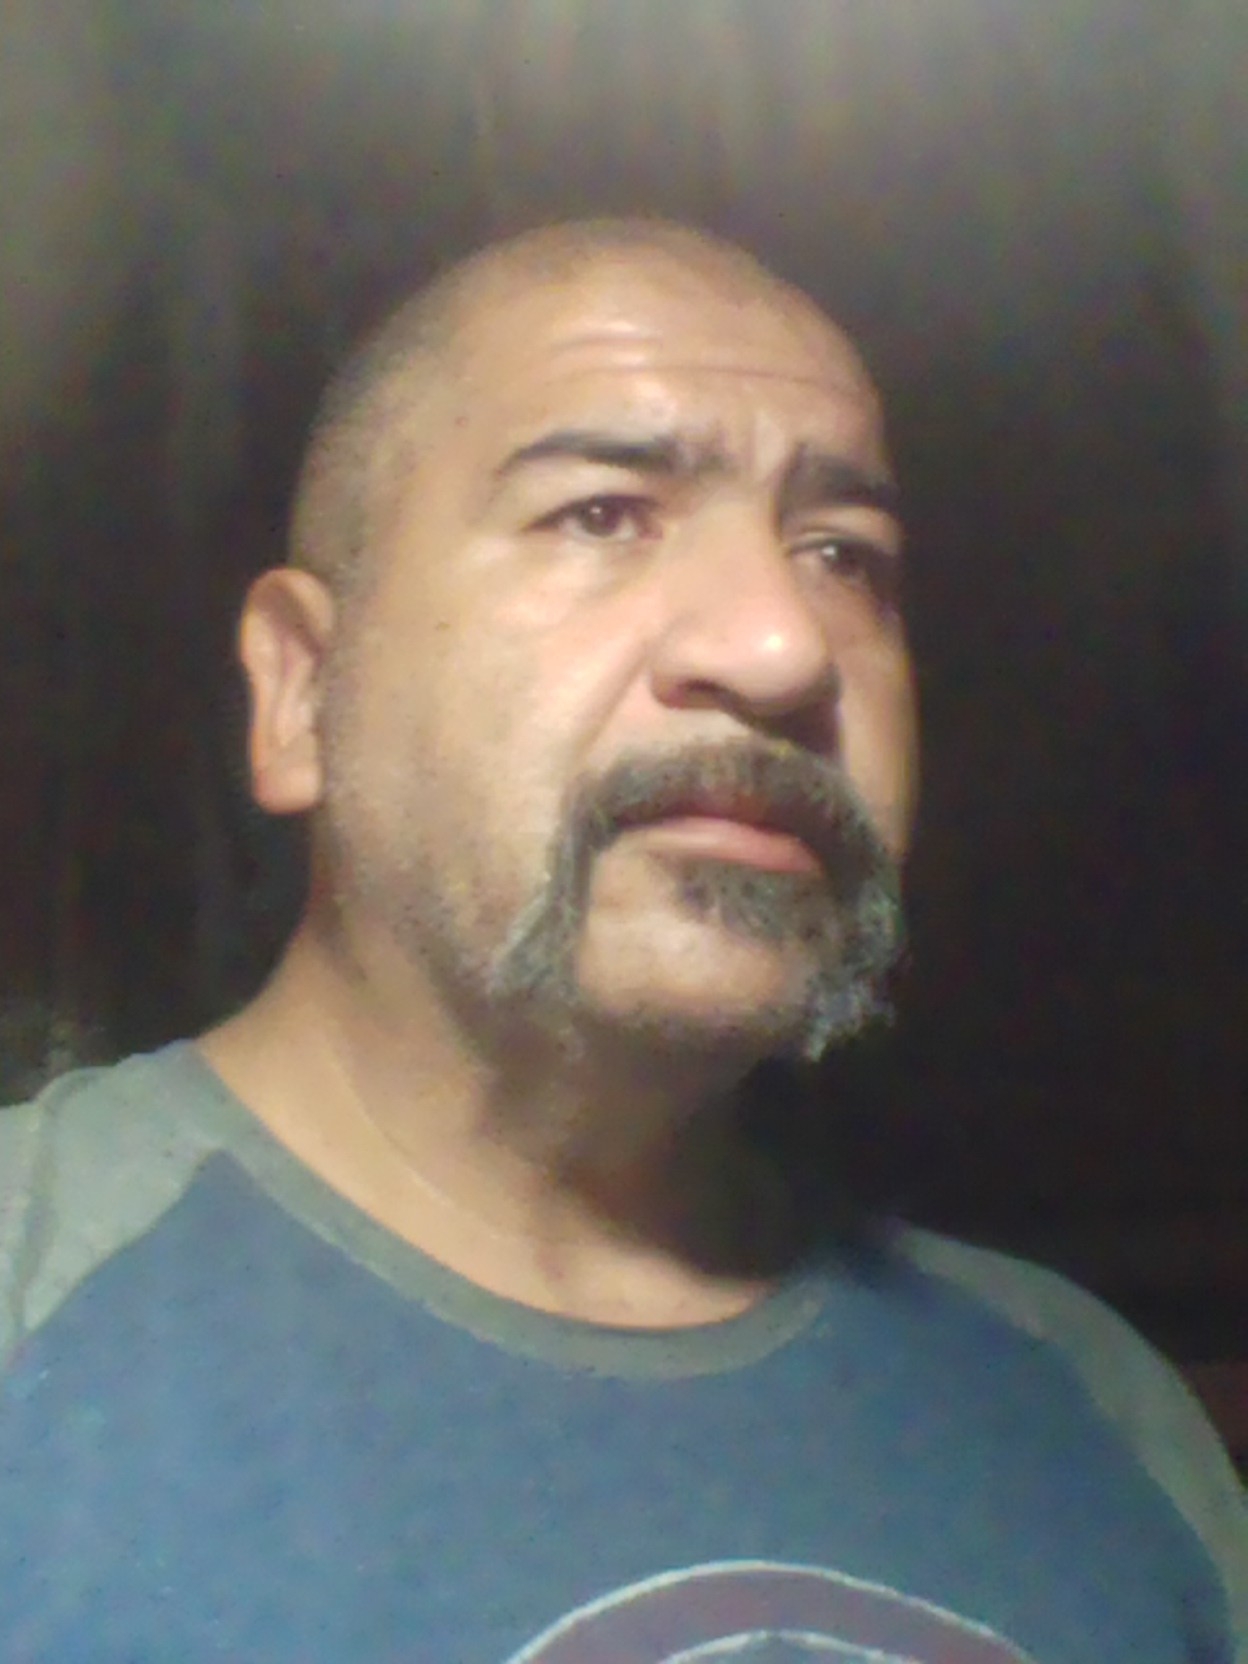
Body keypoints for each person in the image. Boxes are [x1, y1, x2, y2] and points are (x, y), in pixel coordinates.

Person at [1, 219, 1243, 1663]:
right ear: (302, 690)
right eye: (602, 514)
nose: (783, 648)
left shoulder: (1097, 1417)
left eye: (845, 557)